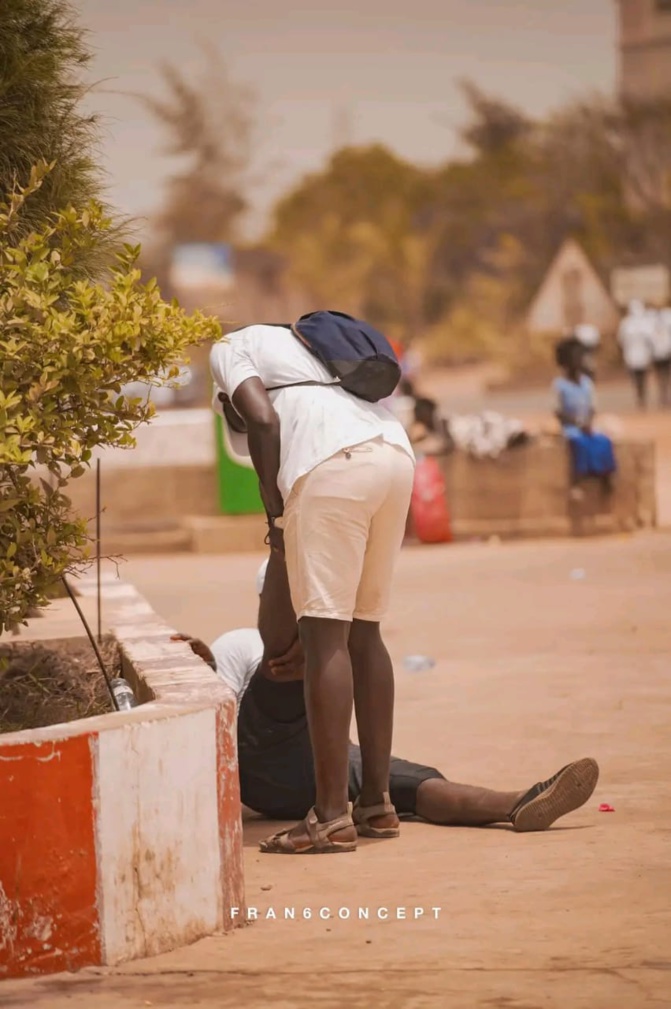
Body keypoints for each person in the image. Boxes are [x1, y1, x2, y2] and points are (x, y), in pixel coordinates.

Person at [174, 556, 600, 835]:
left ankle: (516, 804)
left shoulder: (333, 649)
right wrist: (208, 675)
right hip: (265, 756)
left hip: (322, 764)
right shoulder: (239, 643)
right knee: (286, 665)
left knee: (413, 785)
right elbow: (223, 737)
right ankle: (297, 660)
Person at [209, 318, 416, 854]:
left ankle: (328, 817)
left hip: (330, 465)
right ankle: (377, 804)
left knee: (325, 638)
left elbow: (261, 419)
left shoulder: (230, 347)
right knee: (364, 633)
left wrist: (274, 507)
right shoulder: (302, 343)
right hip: (393, 452)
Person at [554, 337, 616, 497]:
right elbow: (558, 412)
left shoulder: (587, 383)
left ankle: (605, 477)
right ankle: (577, 482)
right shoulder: (559, 385)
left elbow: (592, 408)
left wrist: (587, 422)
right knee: (579, 443)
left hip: (587, 425)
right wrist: (577, 423)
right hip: (570, 427)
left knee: (603, 441)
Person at [617, 300, 655, 410]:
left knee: (640, 377)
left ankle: (641, 396)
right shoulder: (628, 323)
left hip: (638, 355)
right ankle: (640, 396)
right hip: (635, 355)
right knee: (638, 378)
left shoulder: (629, 323)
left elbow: (621, 340)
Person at [650, 306, 671, 408]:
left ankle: (665, 395)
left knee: (665, 376)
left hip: (665, 354)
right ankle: (663, 396)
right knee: (660, 376)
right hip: (658, 356)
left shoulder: (666, 325)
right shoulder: (651, 326)